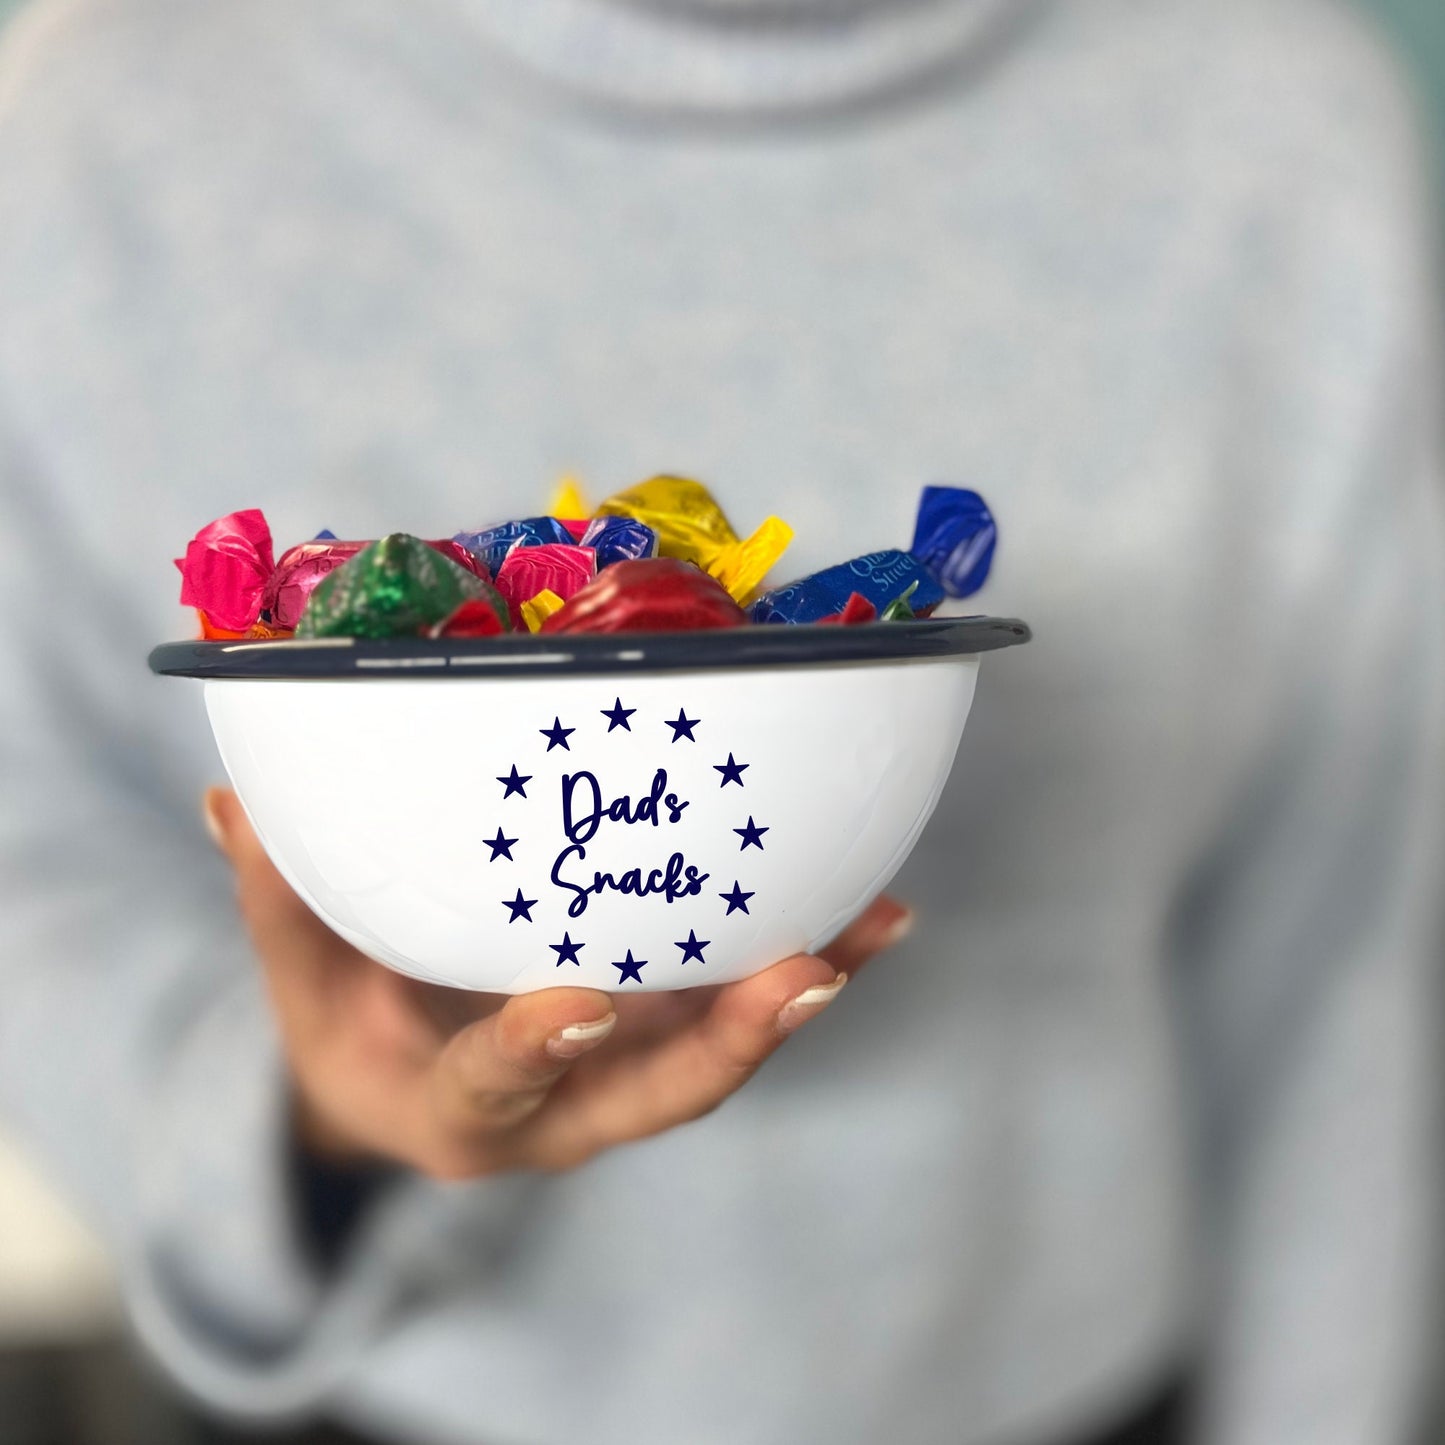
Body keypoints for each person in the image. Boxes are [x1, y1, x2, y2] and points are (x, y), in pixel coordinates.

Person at [0, 0, 1442, 1442]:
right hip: (370, 1395)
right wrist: (301, 1135)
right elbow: (35, 850)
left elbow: (1345, 954)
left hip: (1098, 1385)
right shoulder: (101, 121)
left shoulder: (1277, 119)